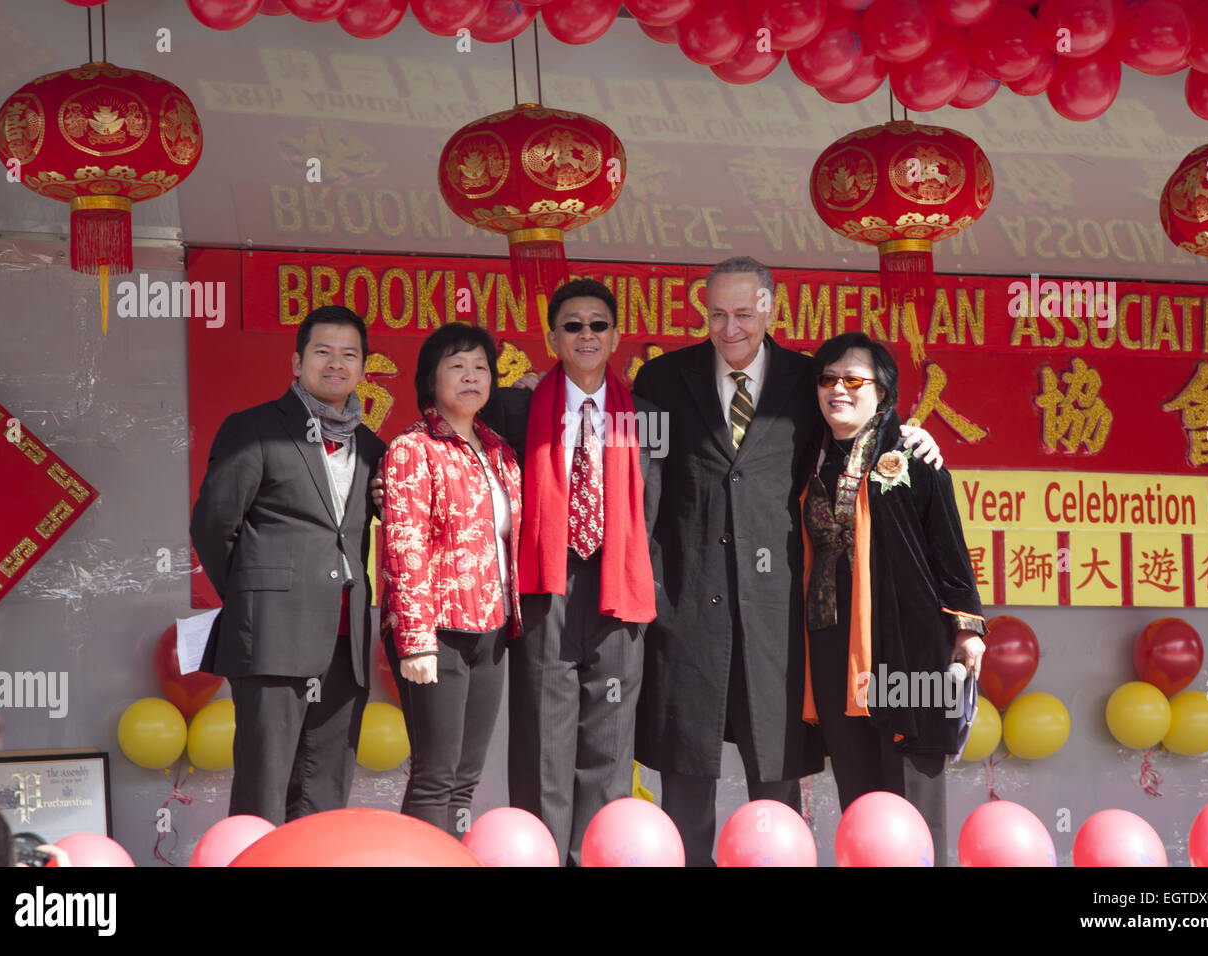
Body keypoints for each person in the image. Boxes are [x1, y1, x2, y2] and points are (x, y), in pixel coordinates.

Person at [631, 256, 946, 865]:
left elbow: (860, 433)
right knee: (685, 777)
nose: (730, 328)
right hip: (688, 607)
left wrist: (911, 435)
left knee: (773, 785)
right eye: (717, 314)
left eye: (744, 314)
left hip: (780, 615)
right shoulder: (662, 381)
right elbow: (636, 472)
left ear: (771, 309)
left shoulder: (807, 382)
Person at [190, 305, 386, 825]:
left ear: (363, 369)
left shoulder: (373, 447)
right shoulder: (255, 429)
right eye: (323, 352)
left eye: (349, 354)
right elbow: (212, 527)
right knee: (264, 788)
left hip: (346, 642)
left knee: (326, 789)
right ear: (297, 362)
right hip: (273, 638)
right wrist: (257, 600)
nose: (336, 364)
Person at [800, 332, 986, 862]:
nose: (839, 389)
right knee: (858, 790)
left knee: (912, 788)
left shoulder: (911, 454)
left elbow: (949, 548)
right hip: (834, 642)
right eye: (828, 379)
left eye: (854, 379)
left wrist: (968, 628)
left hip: (909, 644)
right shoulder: (808, 458)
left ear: (882, 391)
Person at [503, 279, 663, 866]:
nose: (587, 335)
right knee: (545, 740)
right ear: (552, 337)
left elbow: (663, 510)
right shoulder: (515, 407)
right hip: (547, 583)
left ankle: (597, 857)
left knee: (610, 743)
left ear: (616, 336)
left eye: (598, 325)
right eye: (573, 325)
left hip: (620, 584)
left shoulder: (644, 418)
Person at [379, 323, 522, 838]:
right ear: (430, 379)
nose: (471, 376)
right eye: (456, 365)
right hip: (436, 635)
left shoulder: (500, 451)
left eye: (481, 366)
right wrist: (416, 642)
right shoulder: (412, 449)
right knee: (436, 775)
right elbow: (404, 548)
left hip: (492, 630)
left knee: (465, 777)